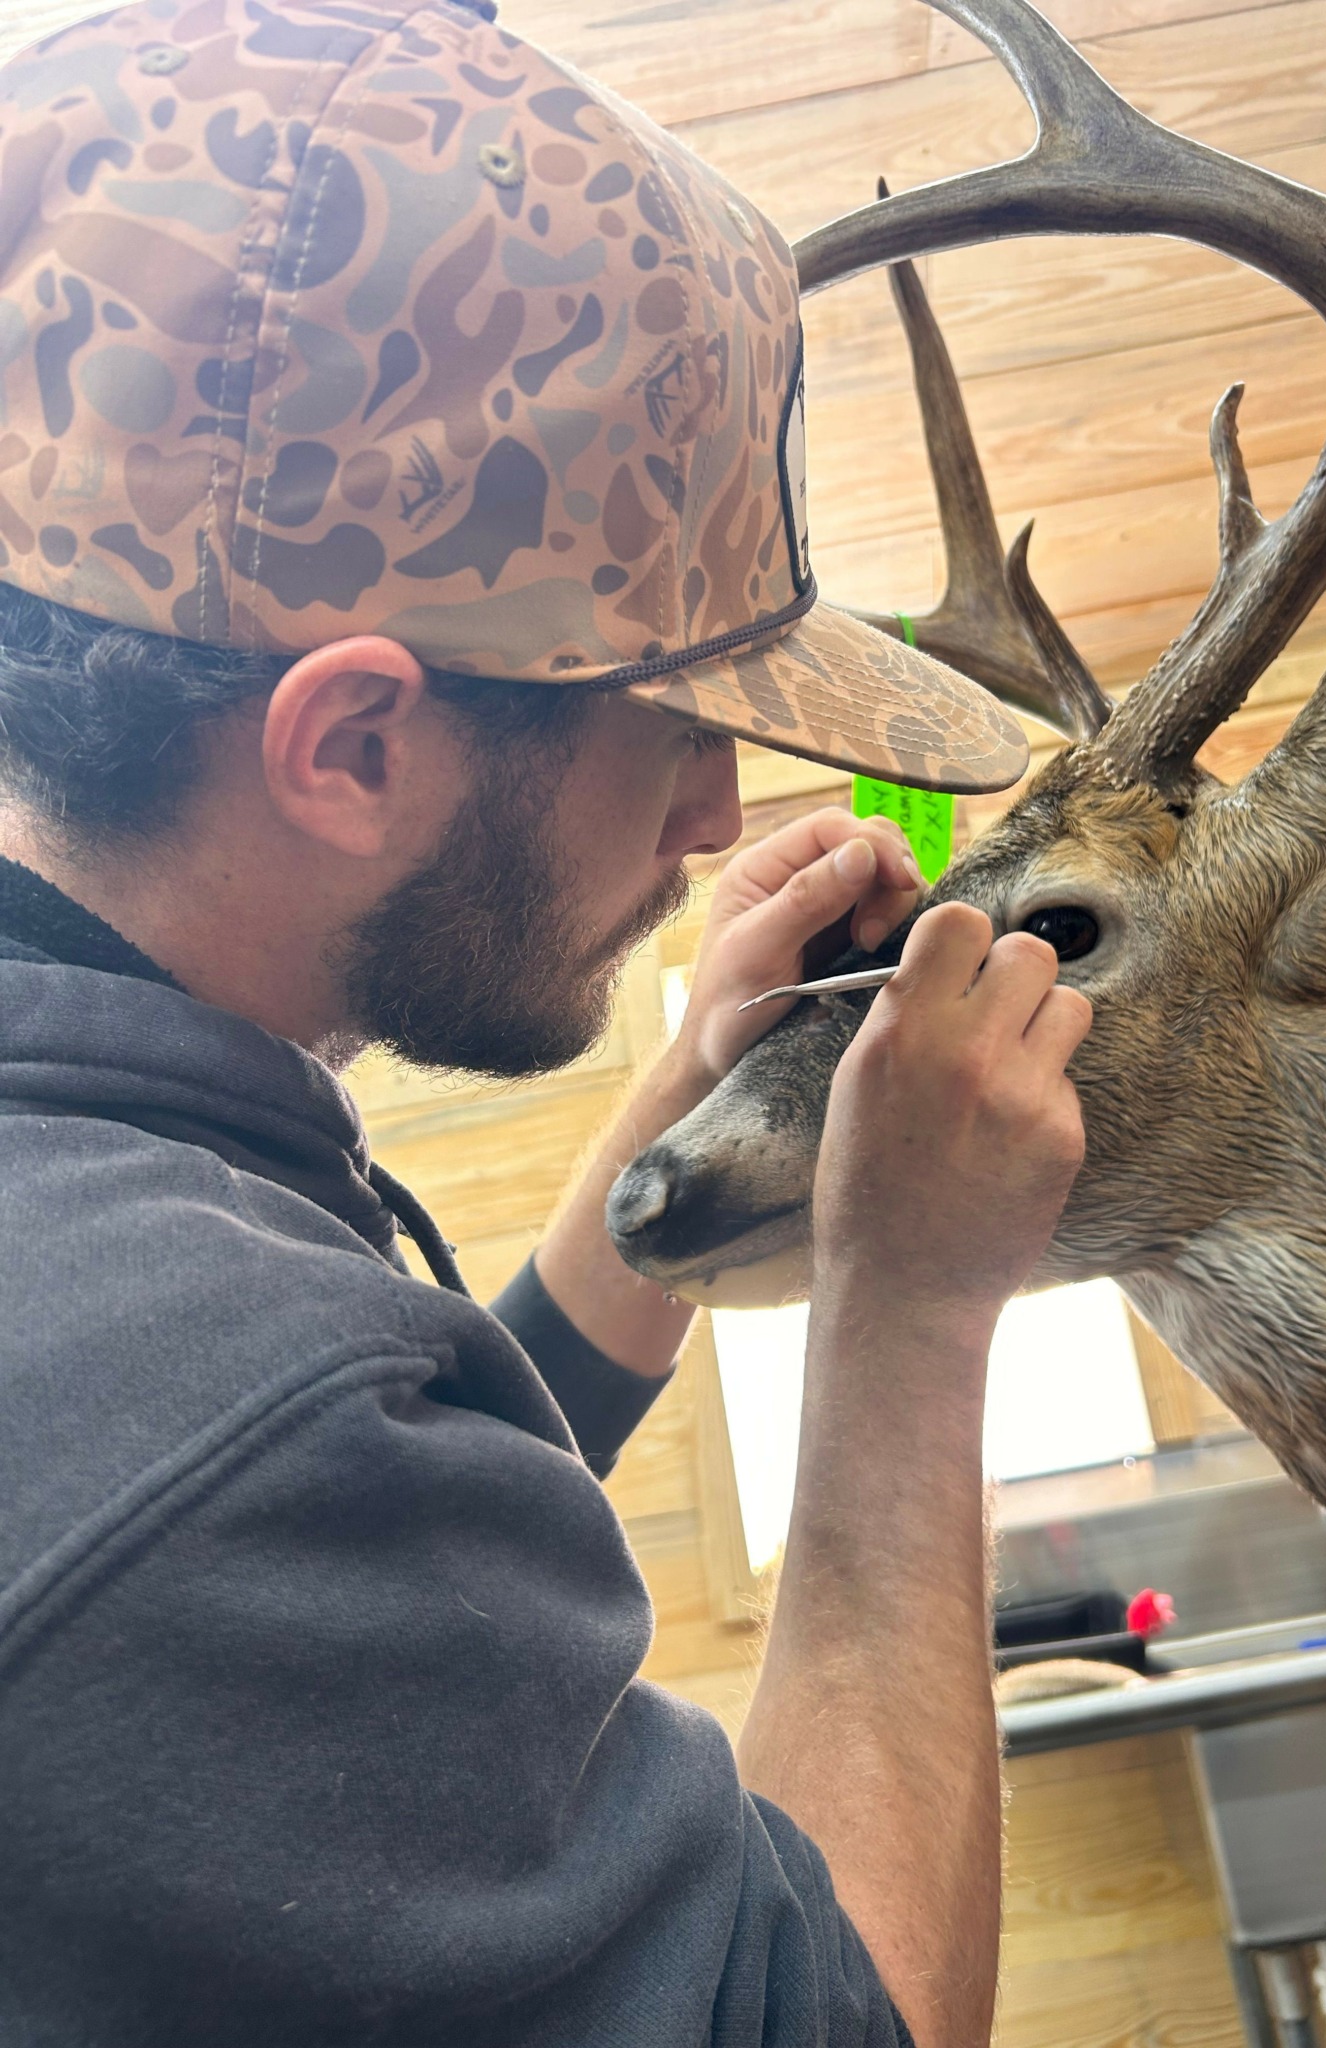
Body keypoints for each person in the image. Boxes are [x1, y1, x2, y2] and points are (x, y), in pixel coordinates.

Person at [0, 2, 1092, 2042]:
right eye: (677, 726)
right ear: (352, 746)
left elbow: (344, 1548)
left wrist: (683, 1105)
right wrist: (913, 1307)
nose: (717, 817)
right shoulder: (189, 1408)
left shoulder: (105, 1224)